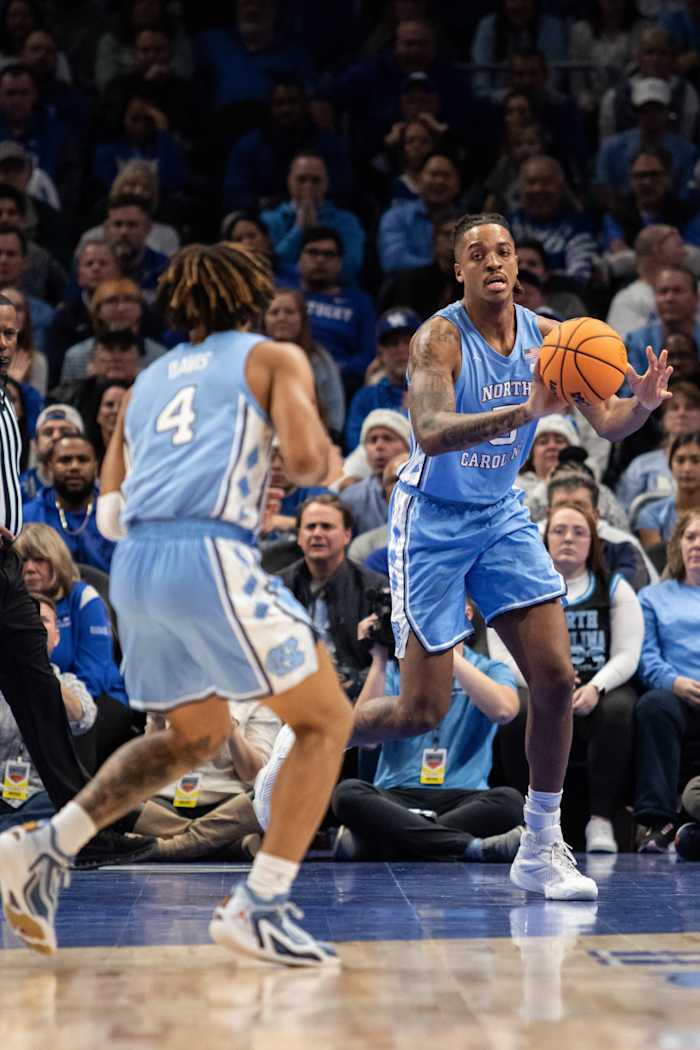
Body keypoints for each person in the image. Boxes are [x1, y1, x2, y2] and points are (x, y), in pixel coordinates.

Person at [0, 242, 353, 964]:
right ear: (250, 294)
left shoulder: (144, 384)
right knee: (327, 718)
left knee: (194, 734)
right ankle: (261, 905)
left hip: (136, 568)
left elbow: (108, 517)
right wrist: (288, 462)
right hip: (208, 556)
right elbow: (312, 462)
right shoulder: (270, 357)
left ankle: (47, 846)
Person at [350, 211, 672, 901]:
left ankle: (540, 842)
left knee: (554, 681)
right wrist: (525, 411)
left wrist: (642, 404)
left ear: (518, 265)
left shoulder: (554, 338)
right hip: (431, 519)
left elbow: (609, 419)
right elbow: (430, 432)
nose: (493, 261)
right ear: (458, 270)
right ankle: (312, 740)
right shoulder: (439, 338)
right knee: (420, 710)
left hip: (499, 514)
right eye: (478, 253)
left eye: (503, 250)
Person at [0, 290, 147, 866]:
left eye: (10, 333)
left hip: (5, 566)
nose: (3, 343)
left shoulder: (7, 402)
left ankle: (78, 830)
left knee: (40, 691)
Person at [491, 503, 643, 853]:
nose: (568, 538)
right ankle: (527, 818)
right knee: (517, 711)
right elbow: (501, 655)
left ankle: (601, 819)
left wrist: (597, 686)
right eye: (559, 531)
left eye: (579, 532)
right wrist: (543, 685)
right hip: (534, 684)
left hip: (596, 687)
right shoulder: (521, 587)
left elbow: (628, 653)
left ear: (593, 543)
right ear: (544, 540)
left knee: (621, 707)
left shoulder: (614, 587)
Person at [332, 610, 524, 863]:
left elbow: (504, 711)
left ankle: (379, 843)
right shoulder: (395, 671)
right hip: (396, 796)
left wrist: (445, 655)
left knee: (511, 802)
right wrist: (379, 658)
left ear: (466, 614)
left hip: (462, 797)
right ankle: (471, 847)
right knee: (347, 793)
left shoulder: (490, 668)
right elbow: (365, 738)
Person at [0, 593, 96, 833]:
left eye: (42, 621)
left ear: (57, 636)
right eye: (28, 621)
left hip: (44, 796)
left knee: (71, 805)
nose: (34, 628)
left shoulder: (70, 683)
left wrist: (39, 669)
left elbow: (83, 718)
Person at [633, 510, 700, 852]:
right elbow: (645, 657)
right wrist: (674, 682)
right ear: (678, 546)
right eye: (690, 537)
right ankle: (656, 821)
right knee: (653, 705)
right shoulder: (652, 596)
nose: (697, 544)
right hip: (677, 695)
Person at [280, 493, 386, 699]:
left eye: (327, 527)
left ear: (347, 535)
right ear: (299, 537)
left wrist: (354, 682)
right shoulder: (277, 588)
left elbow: (388, 661)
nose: (317, 533)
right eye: (310, 527)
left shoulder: (375, 589)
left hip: (357, 695)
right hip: (293, 691)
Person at [14, 522, 126, 707]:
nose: (30, 568)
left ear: (57, 561)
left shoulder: (84, 598)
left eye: (39, 559)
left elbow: (93, 678)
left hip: (98, 700)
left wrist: (47, 707)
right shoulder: (9, 604)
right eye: (23, 560)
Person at [261, 152, 365, 285]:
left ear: (326, 183)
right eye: (301, 179)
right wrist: (298, 230)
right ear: (289, 181)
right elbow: (265, 267)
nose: (308, 186)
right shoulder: (268, 220)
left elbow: (349, 270)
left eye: (316, 180)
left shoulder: (347, 221)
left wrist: (315, 232)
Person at [546, 469, 658, 592]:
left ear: (596, 515)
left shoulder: (623, 546)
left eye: (579, 506)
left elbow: (637, 588)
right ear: (548, 514)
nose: (571, 512)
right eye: (562, 505)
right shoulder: (533, 543)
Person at [295, 225, 375, 394]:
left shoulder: (359, 303)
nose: (320, 260)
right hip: (290, 371)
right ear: (299, 259)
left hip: (342, 381)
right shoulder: (285, 298)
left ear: (340, 262)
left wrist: (338, 369)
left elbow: (368, 354)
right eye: (313, 252)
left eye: (329, 254)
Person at [23, 433, 116, 573]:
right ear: (50, 467)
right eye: (65, 460)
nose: (74, 467)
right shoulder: (28, 517)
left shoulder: (115, 513)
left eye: (83, 460)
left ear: (96, 466)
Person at [262, 286, 344, 442]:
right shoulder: (252, 358)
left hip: (312, 440)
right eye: (274, 312)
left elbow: (335, 413)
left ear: (302, 319)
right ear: (264, 320)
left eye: (289, 312)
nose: (281, 317)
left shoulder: (320, 359)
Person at [507, 155, 598, 287]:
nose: (538, 189)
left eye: (546, 182)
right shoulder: (506, 226)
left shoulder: (579, 227)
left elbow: (579, 277)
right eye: (531, 182)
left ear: (561, 188)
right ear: (520, 188)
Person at [378, 150, 466, 275]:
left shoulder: (468, 224)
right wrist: (438, 267)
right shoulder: (396, 217)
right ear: (418, 180)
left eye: (447, 176)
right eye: (433, 174)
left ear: (458, 184)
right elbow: (393, 261)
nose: (439, 181)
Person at [344, 307, 418, 452]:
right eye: (393, 343)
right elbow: (355, 446)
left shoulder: (438, 394)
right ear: (380, 352)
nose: (401, 349)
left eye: (407, 341)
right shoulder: (365, 397)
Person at [606, 225, 689, 339]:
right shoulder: (628, 300)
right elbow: (625, 346)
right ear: (658, 250)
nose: (684, 252)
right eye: (678, 246)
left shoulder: (695, 291)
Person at [341, 410, 411, 534]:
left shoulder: (426, 491)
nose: (379, 446)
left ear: (408, 446)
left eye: (388, 438)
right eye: (372, 440)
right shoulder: (350, 498)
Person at [636, 432, 700, 548]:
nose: (687, 469)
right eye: (680, 461)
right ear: (670, 466)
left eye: (696, 461)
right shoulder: (651, 514)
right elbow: (657, 557)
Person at [19, 401, 83, 502]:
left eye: (65, 432)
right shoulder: (17, 488)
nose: (56, 436)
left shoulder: (98, 491)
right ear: (35, 444)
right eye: (48, 432)